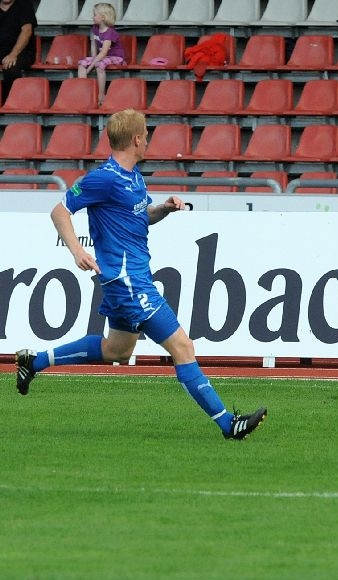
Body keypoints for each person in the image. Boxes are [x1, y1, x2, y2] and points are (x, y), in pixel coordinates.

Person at [14, 108, 267, 441]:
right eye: (145, 134)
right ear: (136, 139)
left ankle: (34, 362)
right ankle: (227, 424)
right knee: (183, 346)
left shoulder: (134, 177)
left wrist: (163, 208)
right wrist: (77, 250)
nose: (147, 139)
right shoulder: (103, 178)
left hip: (130, 279)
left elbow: (140, 218)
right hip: (128, 281)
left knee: (116, 350)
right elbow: (59, 210)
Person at [77, 2, 126, 105]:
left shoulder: (110, 32)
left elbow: (103, 53)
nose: (92, 17)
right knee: (81, 64)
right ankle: (84, 92)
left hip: (116, 56)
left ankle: (101, 94)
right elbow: (93, 46)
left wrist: (89, 68)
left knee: (99, 65)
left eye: (95, 15)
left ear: (103, 17)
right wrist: (93, 59)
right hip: (103, 56)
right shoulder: (95, 29)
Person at [0, 0, 36, 102]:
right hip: (1, 50)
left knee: (11, 67)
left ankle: (8, 105)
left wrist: (13, 54)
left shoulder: (24, 4)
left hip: (22, 52)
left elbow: (27, 30)